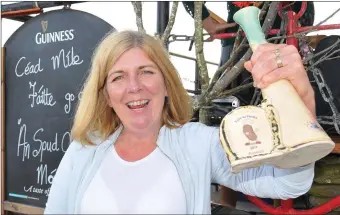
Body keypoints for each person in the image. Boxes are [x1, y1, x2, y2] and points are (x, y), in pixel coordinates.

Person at [44, 30, 316, 214]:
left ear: (166, 85)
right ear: (105, 95)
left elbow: (286, 184)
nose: (134, 87)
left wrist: (301, 107)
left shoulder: (198, 143)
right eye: (118, 77)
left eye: (146, 72)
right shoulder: (83, 150)